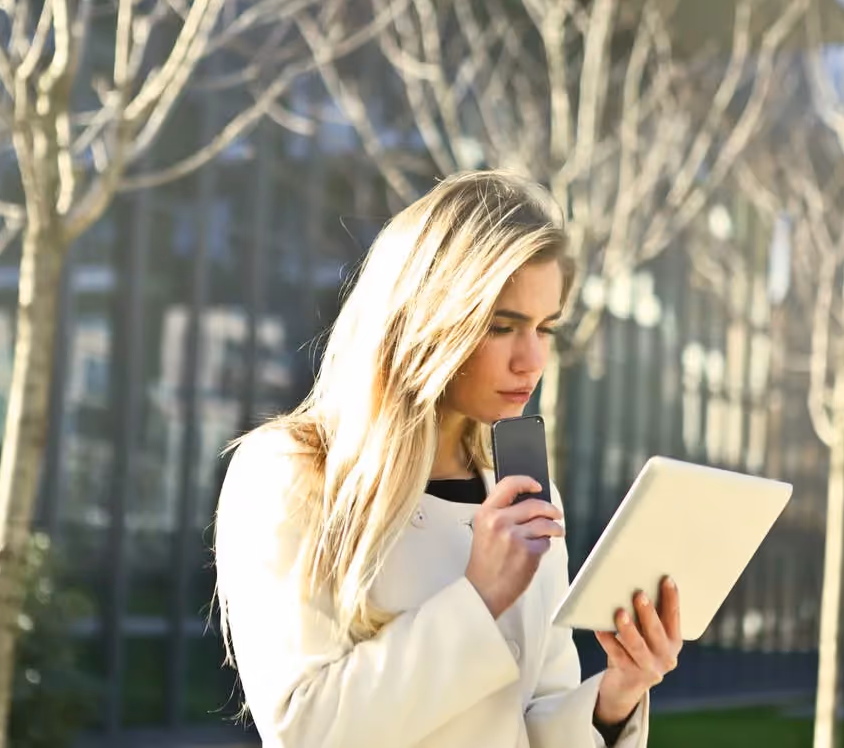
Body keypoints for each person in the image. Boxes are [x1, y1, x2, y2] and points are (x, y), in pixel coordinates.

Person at [213, 170, 682, 748]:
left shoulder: (525, 487)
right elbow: (305, 728)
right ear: (429, 319)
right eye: (502, 326)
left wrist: (613, 701)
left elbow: (529, 718)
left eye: (545, 329)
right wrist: (478, 598)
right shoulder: (293, 472)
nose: (531, 360)